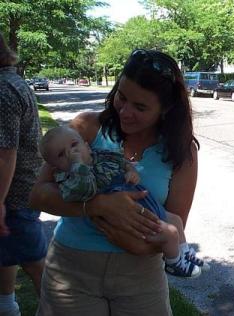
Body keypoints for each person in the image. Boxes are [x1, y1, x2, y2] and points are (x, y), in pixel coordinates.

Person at [29, 49, 201, 316]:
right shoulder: (86, 128)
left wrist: (138, 246)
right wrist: (98, 205)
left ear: (166, 109)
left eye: (140, 106)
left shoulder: (181, 151)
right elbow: (38, 195)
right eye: (122, 96)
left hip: (141, 276)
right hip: (72, 270)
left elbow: (176, 222)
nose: (125, 111)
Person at [38, 125, 203, 278]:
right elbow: (83, 191)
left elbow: (121, 161)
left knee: (176, 220)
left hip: (142, 201)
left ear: (87, 146)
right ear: (55, 167)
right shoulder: (70, 179)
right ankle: (174, 264)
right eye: (61, 154)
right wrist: (78, 166)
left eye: (74, 145)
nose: (70, 153)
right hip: (124, 215)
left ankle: (184, 253)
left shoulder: (100, 156)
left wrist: (131, 171)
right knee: (171, 233)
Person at [0, 33, 47, 316]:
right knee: (7, 251)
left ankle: (58, 309)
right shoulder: (10, 81)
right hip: (16, 191)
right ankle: (6, 305)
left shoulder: (3, 89)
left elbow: (5, 154)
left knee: (34, 261)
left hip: (15, 194)